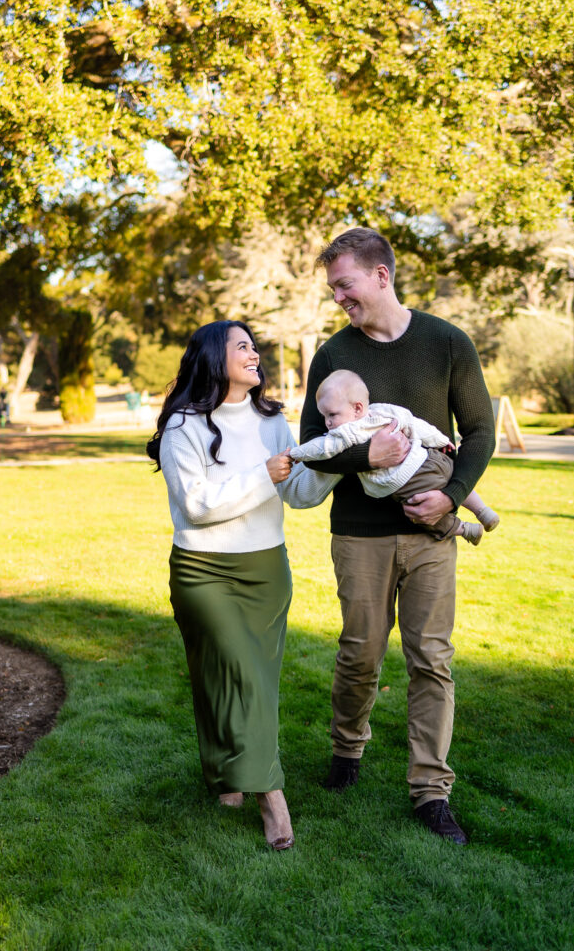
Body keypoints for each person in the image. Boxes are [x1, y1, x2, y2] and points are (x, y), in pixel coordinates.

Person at [300, 227, 496, 845]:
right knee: (360, 653)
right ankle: (347, 751)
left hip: (432, 533)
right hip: (359, 534)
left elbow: (481, 431)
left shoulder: (446, 342)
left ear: (381, 275)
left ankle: (431, 791)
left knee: (431, 661)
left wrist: (451, 492)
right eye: (334, 288)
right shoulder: (332, 356)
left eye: (346, 284)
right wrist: (370, 458)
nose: (339, 297)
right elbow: (315, 449)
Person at [147, 320, 339, 851]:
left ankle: (227, 775)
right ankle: (270, 795)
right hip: (203, 572)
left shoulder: (272, 420)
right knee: (236, 678)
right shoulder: (183, 425)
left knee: (243, 682)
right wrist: (266, 475)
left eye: (254, 346)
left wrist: (335, 462)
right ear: (214, 358)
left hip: (265, 572)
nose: (255, 353)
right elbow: (197, 507)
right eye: (242, 347)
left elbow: (297, 492)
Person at [291, 369, 499, 544]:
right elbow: (414, 423)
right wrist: (441, 442)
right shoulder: (383, 412)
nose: (327, 422)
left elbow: (320, 448)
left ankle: (465, 530)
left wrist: (296, 453)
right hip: (429, 459)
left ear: (357, 408)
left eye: (332, 415)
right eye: (325, 416)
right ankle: (483, 511)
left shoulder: (345, 434)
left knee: (422, 514)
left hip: (408, 483)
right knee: (452, 477)